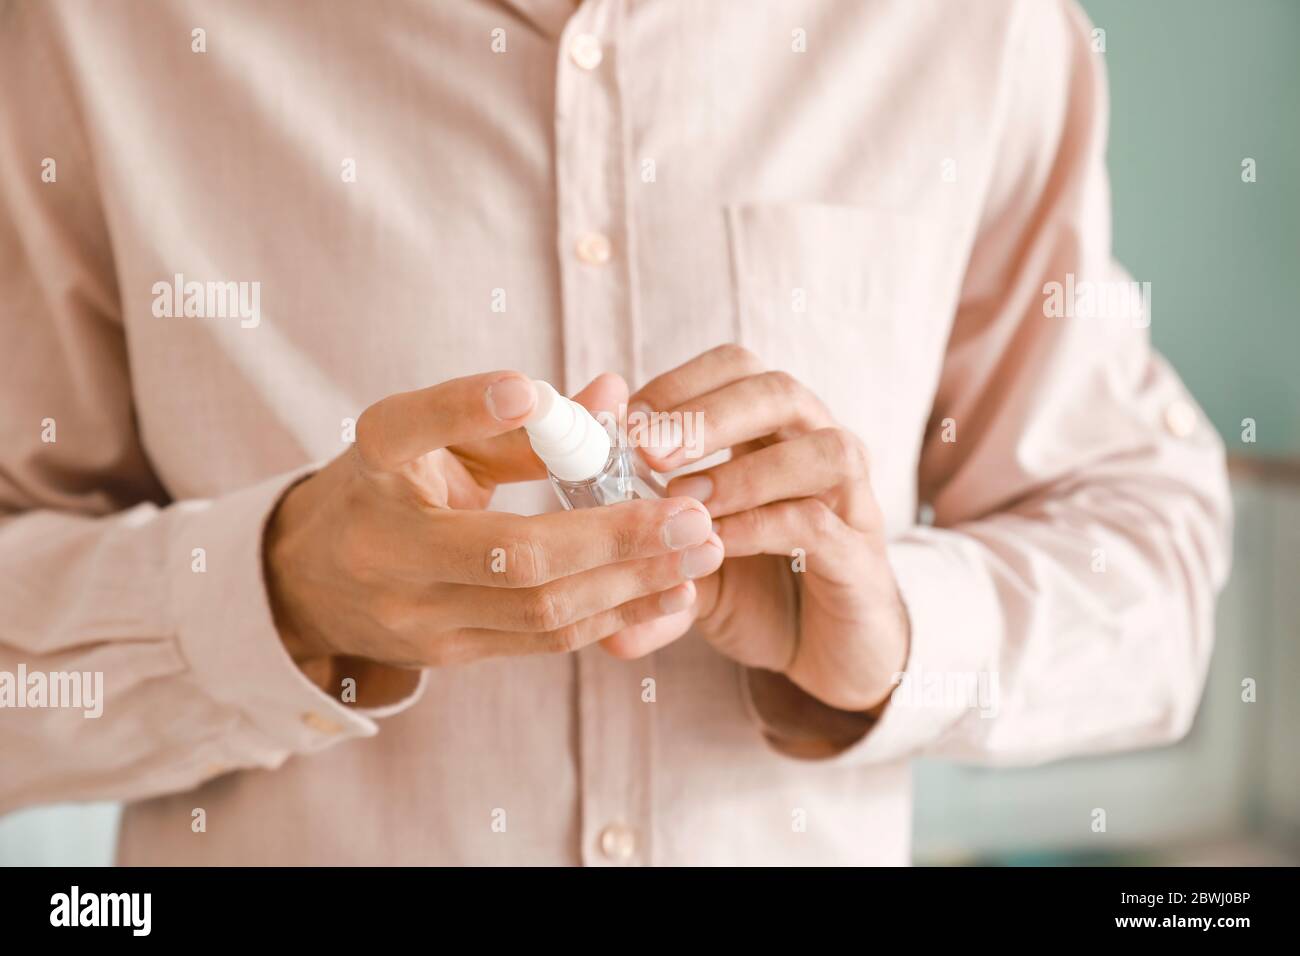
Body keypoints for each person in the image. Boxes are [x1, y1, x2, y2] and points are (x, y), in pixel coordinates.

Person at [0, 0, 1230, 865]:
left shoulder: (972, 28)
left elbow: (1155, 575)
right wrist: (276, 595)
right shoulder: (95, 30)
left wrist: (899, 630)